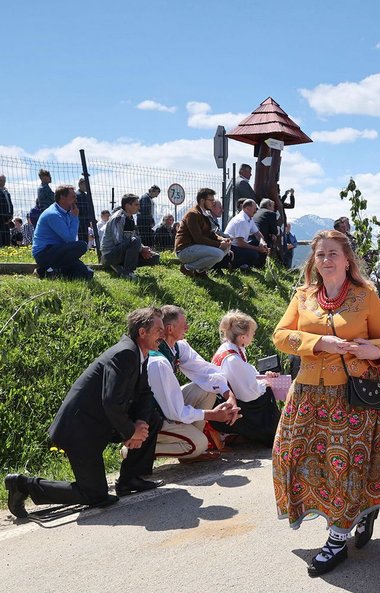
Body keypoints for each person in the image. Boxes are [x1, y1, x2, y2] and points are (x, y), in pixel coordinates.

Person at [272, 229, 380, 578]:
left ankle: (338, 537)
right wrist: (319, 343)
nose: (326, 259)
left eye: (333, 253)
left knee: (344, 467)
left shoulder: (366, 295)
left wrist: (370, 351)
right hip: (308, 394)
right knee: (293, 456)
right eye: (320, 254)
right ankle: (359, 512)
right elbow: (280, 335)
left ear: (347, 260)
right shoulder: (303, 296)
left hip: (353, 397)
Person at [4, 308, 165, 518]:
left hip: (100, 424)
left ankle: (130, 479)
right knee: (96, 495)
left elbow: (144, 392)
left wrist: (141, 422)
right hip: (79, 430)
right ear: (142, 332)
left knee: (152, 418)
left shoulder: (139, 353)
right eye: (159, 330)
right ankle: (22, 484)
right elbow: (111, 401)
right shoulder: (125, 354)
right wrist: (131, 431)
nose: (163, 335)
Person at [148, 305, 239, 463]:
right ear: (170, 328)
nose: (187, 327)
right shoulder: (157, 360)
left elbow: (206, 371)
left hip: (168, 407)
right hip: (152, 415)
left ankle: (189, 450)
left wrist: (229, 396)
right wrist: (213, 415)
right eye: (184, 324)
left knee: (207, 389)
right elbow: (173, 410)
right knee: (200, 443)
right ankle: (138, 450)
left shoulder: (178, 346)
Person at [209, 311, 281, 445]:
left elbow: (245, 379)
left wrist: (262, 379)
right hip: (231, 405)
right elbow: (249, 394)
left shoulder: (228, 348)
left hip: (224, 399)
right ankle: (270, 434)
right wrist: (265, 383)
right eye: (252, 333)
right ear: (242, 337)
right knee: (267, 394)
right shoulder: (232, 359)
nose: (253, 335)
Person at [31, 184, 94, 279]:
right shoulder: (53, 214)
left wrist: (73, 216)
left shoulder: (66, 212)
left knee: (87, 273)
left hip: (59, 251)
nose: (75, 200)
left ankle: (50, 271)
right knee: (82, 246)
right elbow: (70, 239)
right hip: (44, 253)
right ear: (62, 198)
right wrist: (75, 217)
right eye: (73, 197)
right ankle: (44, 270)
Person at [175, 188, 232, 276]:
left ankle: (200, 271)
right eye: (211, 200)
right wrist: (219, 244)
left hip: (196, 248)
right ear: (202, 201)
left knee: (226, 247)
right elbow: (198, 238)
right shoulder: (193, 214)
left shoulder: (205, 214)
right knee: (219, 254)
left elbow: (211, 234)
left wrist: (222, 239)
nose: (213, 203)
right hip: (184, 249)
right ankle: (187, 268)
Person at [101, 193, 160, 279]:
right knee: (136, 240)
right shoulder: (118, 218)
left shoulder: (130, 218)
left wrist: (143, 249)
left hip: (122, 252)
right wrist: (140, 249)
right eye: (136, 205)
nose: (139, 207)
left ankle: (119, 267)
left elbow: (132, 238)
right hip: (110, 254)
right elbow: (118, 241)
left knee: (154, 257)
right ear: (128, 206)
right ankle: (127, 272)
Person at [224, 199, 269, 269]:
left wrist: (262, 243)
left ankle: (257, 266)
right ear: (247, 209)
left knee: (258, 244)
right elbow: (240, 243)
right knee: (253, 254)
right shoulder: (241, 220)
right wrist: (258, 249)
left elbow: (258, 234)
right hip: (231, 247)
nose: (256, 211)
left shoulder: (249, 218)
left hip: (238, 246)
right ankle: (234, 265)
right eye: (254, 209)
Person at [253, 198, 281, 263]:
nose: (273, 209)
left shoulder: (255, 212)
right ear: (269, 205)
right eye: (273, 207)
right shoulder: (270, 213)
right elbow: (274, 231)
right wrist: (272, 234)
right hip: (261, 240)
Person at [75, 178, 94, 244]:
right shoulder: (78, 195)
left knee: (85, 239)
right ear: (81, 185)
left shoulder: (84, 195)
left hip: (84, 220)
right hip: (81, 220)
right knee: (82, 239)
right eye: (86, 185)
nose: (87, 187)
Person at [0, 174, 13, 247]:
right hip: (1, 220)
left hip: (7, 219)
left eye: (4, 181)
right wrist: (4, 219)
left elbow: (10, 204)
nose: (2, 182)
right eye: (1, 180)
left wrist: (11, 216)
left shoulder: (6, 192)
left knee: (7, 240)